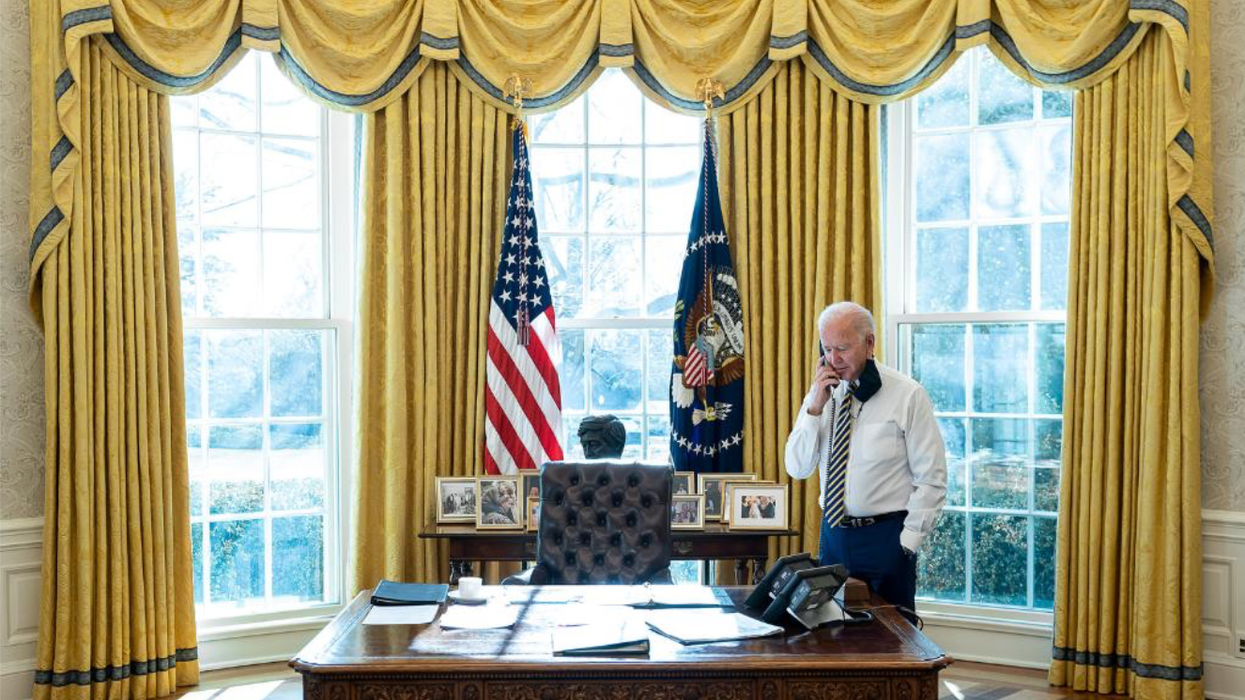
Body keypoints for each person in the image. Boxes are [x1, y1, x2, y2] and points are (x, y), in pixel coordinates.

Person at [784, 301, 946, 618]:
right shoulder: (821, 394)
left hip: (886, 539)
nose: (833, 359)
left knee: (896, 643)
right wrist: (814, 408)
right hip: (833, 536)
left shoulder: (908, 395)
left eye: (842, 348)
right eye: (827, 349)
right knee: (831, 634)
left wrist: (907, 544)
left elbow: (931, 478)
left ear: (869, 343)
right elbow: (798, 467)